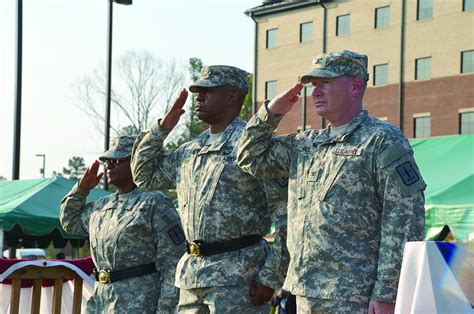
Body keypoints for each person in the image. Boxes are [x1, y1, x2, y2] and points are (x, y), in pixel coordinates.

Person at [237, 50, 426, 313]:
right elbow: (248, 157)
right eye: (313, 84)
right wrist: (270, 113)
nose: (314, 92)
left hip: (353, 297)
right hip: (302, 292)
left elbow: (405, 218)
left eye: (325, 83)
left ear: (355, 86)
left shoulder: (381, 140)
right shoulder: (305, 144)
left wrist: (388, 292)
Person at [131, 65, 289, 313]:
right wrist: (161, 129)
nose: (198, 96)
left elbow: (285, 214)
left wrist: (271, 277)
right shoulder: (190, 150)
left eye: (208, 90)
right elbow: (143, 175)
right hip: (192, 277)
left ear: (232, 96)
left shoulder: (252, 147)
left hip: (238, 278)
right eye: (197, 91)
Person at [60, 135, 185, 313]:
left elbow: (173, 263)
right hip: (101, 301)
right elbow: (69, 221)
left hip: (139, 302)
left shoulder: (154, 203)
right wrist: (81, 189)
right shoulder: (101, 206)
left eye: (117, 160)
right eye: (107, 161)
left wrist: (165, 309)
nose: (109, 165)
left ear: (135, 161)